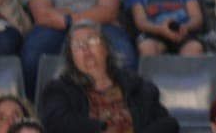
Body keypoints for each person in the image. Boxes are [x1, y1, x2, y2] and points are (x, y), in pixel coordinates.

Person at [38, 19, 183, 133]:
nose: (85, 49)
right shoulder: (59, 89)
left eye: (92, 40)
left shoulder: (135, 85)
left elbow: (168, 124)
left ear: (106, 47)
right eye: (77, 45)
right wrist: (102, 128)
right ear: (71, 57)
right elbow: (56, 124)